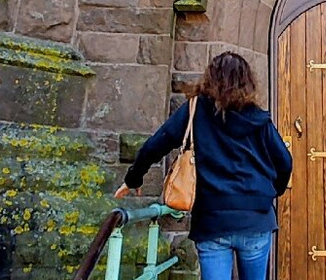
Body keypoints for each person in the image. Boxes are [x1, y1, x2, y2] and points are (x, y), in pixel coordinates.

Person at [114, 51, 292, 280]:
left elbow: (155, 145)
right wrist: (269, 192)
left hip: (212, 220)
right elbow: (285, 162)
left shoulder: (194, 110)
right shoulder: (259, 118)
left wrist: (133, 179)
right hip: (255, 218)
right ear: (247, 81)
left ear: (210, 78)